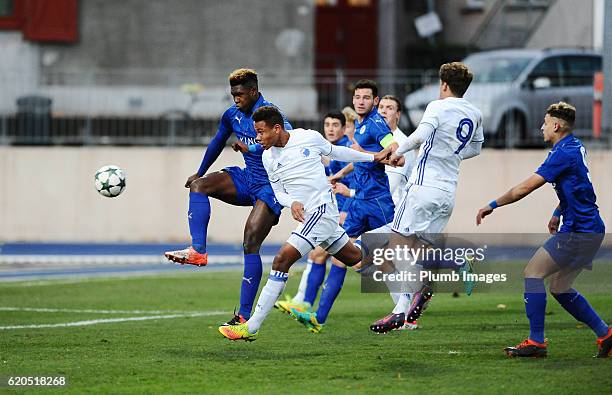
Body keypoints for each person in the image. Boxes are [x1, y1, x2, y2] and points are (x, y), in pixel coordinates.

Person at [218, 106, 387, 341]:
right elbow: (279, 192)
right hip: (311, 216)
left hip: (322, 211)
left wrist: (373, 156)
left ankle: (251, 326)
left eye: (261, 132)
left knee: (281, 259)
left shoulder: (308, 137)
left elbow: (337, 152)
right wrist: (292, 202)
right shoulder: (268, 157)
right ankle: (400, 254)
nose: (258, 138)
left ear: (277, 129)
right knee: (355, 257)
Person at [476, 102, 611, 358]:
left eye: (546, 123)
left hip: (579, 230)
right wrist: (558, 212)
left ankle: (536, 342)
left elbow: (524, 188)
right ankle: (606, 334)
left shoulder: (562, 153)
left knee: (533, 273)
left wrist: (492, 204)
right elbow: (578, 186)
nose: (542, 127)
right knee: (560, 286)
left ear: (557, 126)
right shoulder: (575, 146)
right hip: (588, 227)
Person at [164, 68, 292, 326]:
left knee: (250, 242)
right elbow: (216, 142)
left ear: (254, 91)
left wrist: (253, 146)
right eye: (233, 94)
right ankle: (198, 250)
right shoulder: (231, 115)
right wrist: (199, 172)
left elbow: (286, 139)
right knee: (199, 186)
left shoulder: (270, 114)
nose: (236, 99)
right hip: (247, 179)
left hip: (271, 187)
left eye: (240, 94)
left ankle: (244, 316)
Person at [368, 62, 484, 334]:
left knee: (397, 247)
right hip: (447, 193)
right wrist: (450, 154)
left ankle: (450, 263)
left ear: (444, 84)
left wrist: (399, 151)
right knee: (417, 254)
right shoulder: (474, 112)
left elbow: (420, 135)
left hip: (423, 187)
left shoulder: (438, 106)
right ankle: (404, 312)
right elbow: (476, 148)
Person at [275, 111, 354, 313]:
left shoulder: (345, 150)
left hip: (351, 212)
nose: (330, 128)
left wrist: (346, 209)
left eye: (335, 124)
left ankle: (310, 308)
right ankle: (308, 306)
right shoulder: (331, 151)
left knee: (350, 260)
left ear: (344, 129)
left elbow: (355, 183)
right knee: (319, 255)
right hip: (336, 211)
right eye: (327, 124)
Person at [378, 95, 415, 206]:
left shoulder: (403, 143)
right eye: (381, 107)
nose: (384, 111)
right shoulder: (373, 136)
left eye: (389, 108)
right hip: (372, 206)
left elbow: (389, 188)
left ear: (398, 115)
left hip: (392, 211)